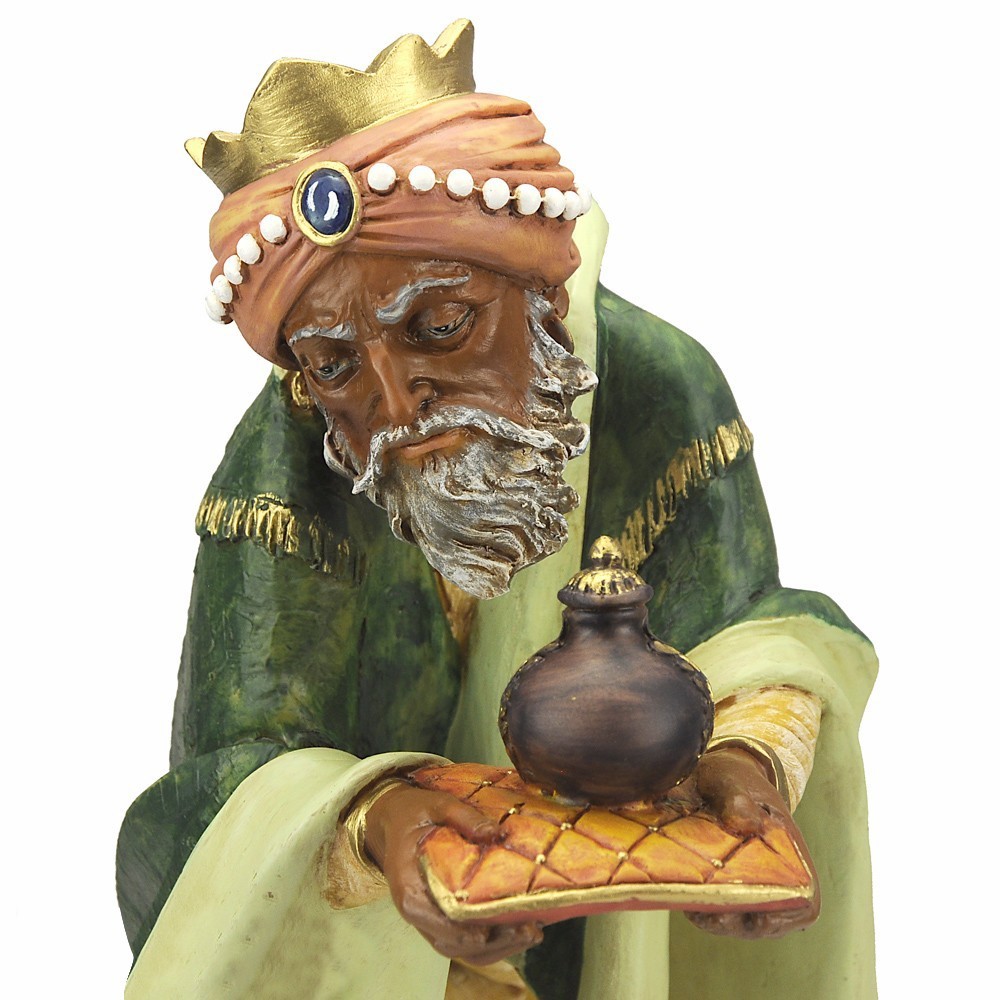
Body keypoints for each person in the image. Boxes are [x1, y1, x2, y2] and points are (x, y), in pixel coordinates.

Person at [116, 20, 877, 1000]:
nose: (395, 404)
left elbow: (752, 628)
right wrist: (374, 821)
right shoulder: (287, 464)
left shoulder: (658, 389)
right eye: (336, 366)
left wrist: (742, 755)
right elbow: (228, 776)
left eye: (439, 326)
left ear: (539, 293)